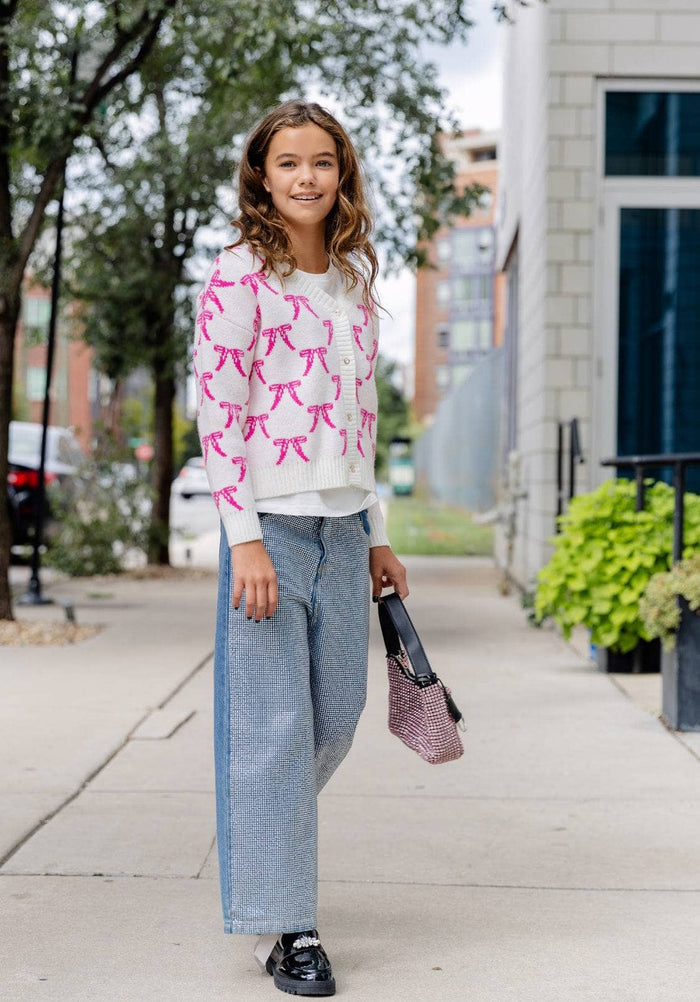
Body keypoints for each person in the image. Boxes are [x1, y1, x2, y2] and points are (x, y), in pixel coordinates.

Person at [194, 99, 408, 998]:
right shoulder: (239, 275)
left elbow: (363, 422)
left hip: (344, 529)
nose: (307, 178)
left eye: (323, 162)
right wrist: (243, 538)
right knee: (274, 734)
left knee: (336, 717)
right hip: (271, 534)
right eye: (289, 164)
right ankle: (292, 929)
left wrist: (378, 535)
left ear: (342, 174)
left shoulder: (356, 282)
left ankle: (258, 843)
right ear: (262, 177)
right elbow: (218, 413)